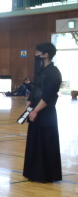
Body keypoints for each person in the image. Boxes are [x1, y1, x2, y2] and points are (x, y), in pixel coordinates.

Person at [23, 43, 62, 183]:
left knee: (45, 142)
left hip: (46, 113)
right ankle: (33, 171)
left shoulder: (54, 73)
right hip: (35, 109)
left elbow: (49, 95)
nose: (36, 55)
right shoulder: (41, 72)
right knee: (35, 141)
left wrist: (36, 111)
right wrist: (28, 106)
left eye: (38, 53)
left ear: (46, 55)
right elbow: (35, 90)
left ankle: (45, 175)